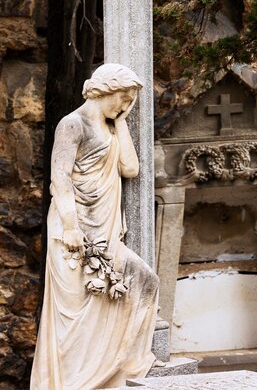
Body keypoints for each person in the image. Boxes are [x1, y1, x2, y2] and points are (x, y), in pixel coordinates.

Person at [30, 64, 159, 390]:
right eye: (123, 97)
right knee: (74, 315)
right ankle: (72, 383)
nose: (125, 105)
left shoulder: (111, 126)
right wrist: (72, 228)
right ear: (106, 88)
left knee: (144, 282)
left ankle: (112, 373)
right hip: (74, 232)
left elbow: (130, 168)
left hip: (106, 231)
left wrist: (120, 122)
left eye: (129, 101)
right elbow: (60, 179)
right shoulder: (72, 124)